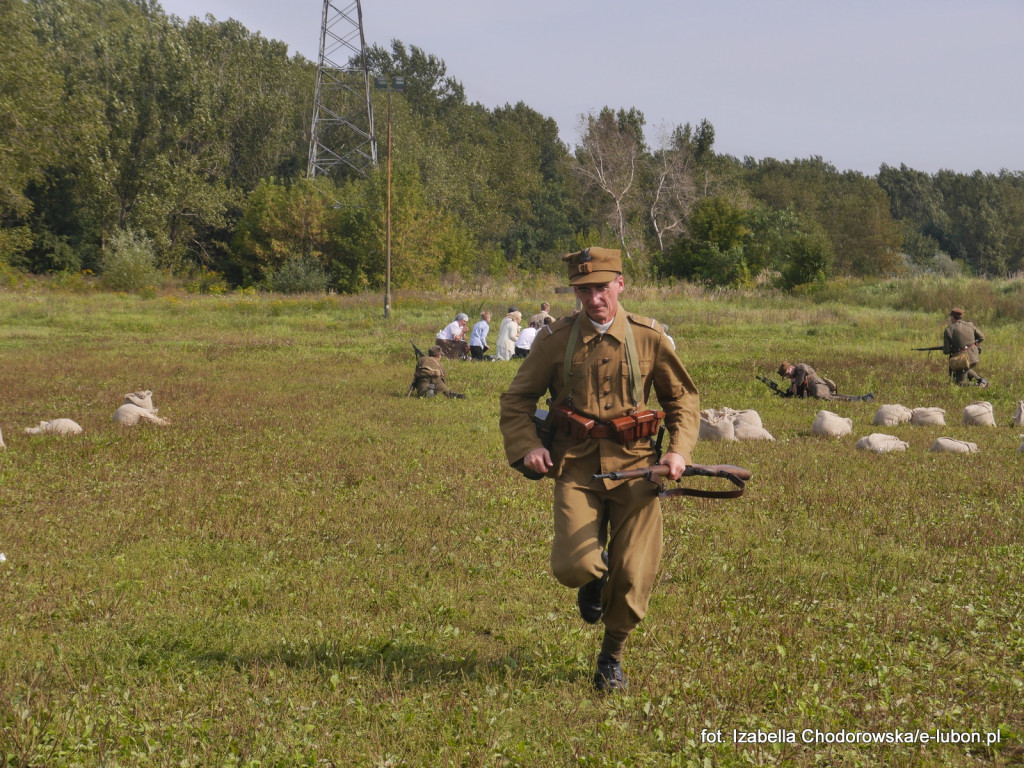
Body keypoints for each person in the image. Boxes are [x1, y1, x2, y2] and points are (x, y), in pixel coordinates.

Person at [499, 247, 700, 692]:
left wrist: (678, 452)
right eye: (583, 290)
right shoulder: (554, 340)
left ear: (621, 285)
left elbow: (682, 400)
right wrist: (528, 446)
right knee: (574, 566)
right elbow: (516, 401)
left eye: (602, 289)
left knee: (634, 576)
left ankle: (611, 658)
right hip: (577, 468)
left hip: (638, 470)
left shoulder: (650, 338)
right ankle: (594, 578)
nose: (594, 299)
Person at [776, 362, 874, 402]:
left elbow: (799, 381)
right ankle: (861, 398)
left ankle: (862, 399)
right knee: (834, 397)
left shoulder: (800, 368)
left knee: (831, 398)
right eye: (786, 375)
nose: (788, 376)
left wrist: (794, 383)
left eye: (787, 373)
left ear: (791, 367)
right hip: (817, 389)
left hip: (818, 387)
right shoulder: (795, 375)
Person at [943, 307, 988, 387]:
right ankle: (982, 381)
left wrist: (952, 348)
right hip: (974, 357)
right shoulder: (970, 325)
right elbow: (981, 337)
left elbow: (946, 351)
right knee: (966, 369)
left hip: (963, 359)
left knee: (959, 383)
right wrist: (974, 344)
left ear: (952, 317)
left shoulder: (949, 330)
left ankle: (979, 385)